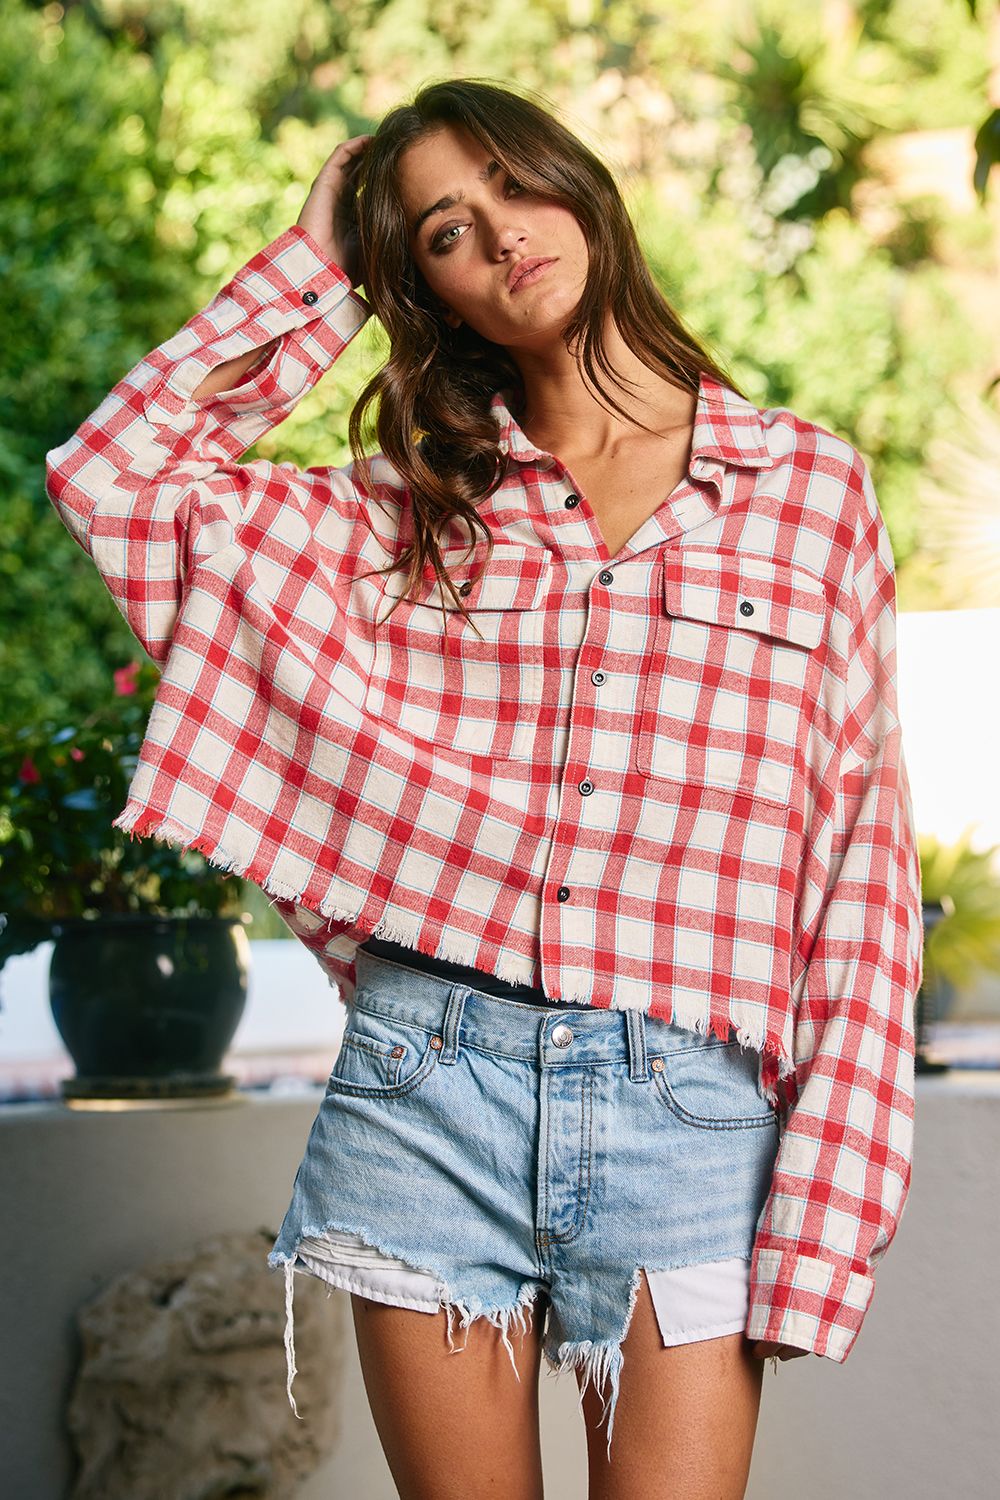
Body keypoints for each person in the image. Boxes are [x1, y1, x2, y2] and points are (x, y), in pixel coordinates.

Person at [45, 78, 923, 1500]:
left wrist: (827, 1223)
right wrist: (317, 264)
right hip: (427, 1089)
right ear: (427, 292)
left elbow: (860, 878)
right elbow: (115, 482)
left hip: (690, 1110)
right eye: (446, 231)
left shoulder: (806, 492)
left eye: (513, 183)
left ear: (580, 184)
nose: (502, 233)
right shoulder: (406, 517)